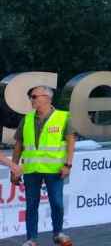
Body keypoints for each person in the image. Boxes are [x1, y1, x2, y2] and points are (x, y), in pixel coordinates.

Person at [12, 85, 73, 245]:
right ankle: (31, 239)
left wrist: (68, 165)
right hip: (31, 169)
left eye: (34, 96)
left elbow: (71, 141)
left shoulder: (63, 117)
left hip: (55, 170)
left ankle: (58, 233)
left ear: (47, 98)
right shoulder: (26, 119)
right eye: (31, 97)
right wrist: (14, 168)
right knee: (31, 205)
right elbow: (18, 145)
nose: (31, 100)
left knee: (57, 203)